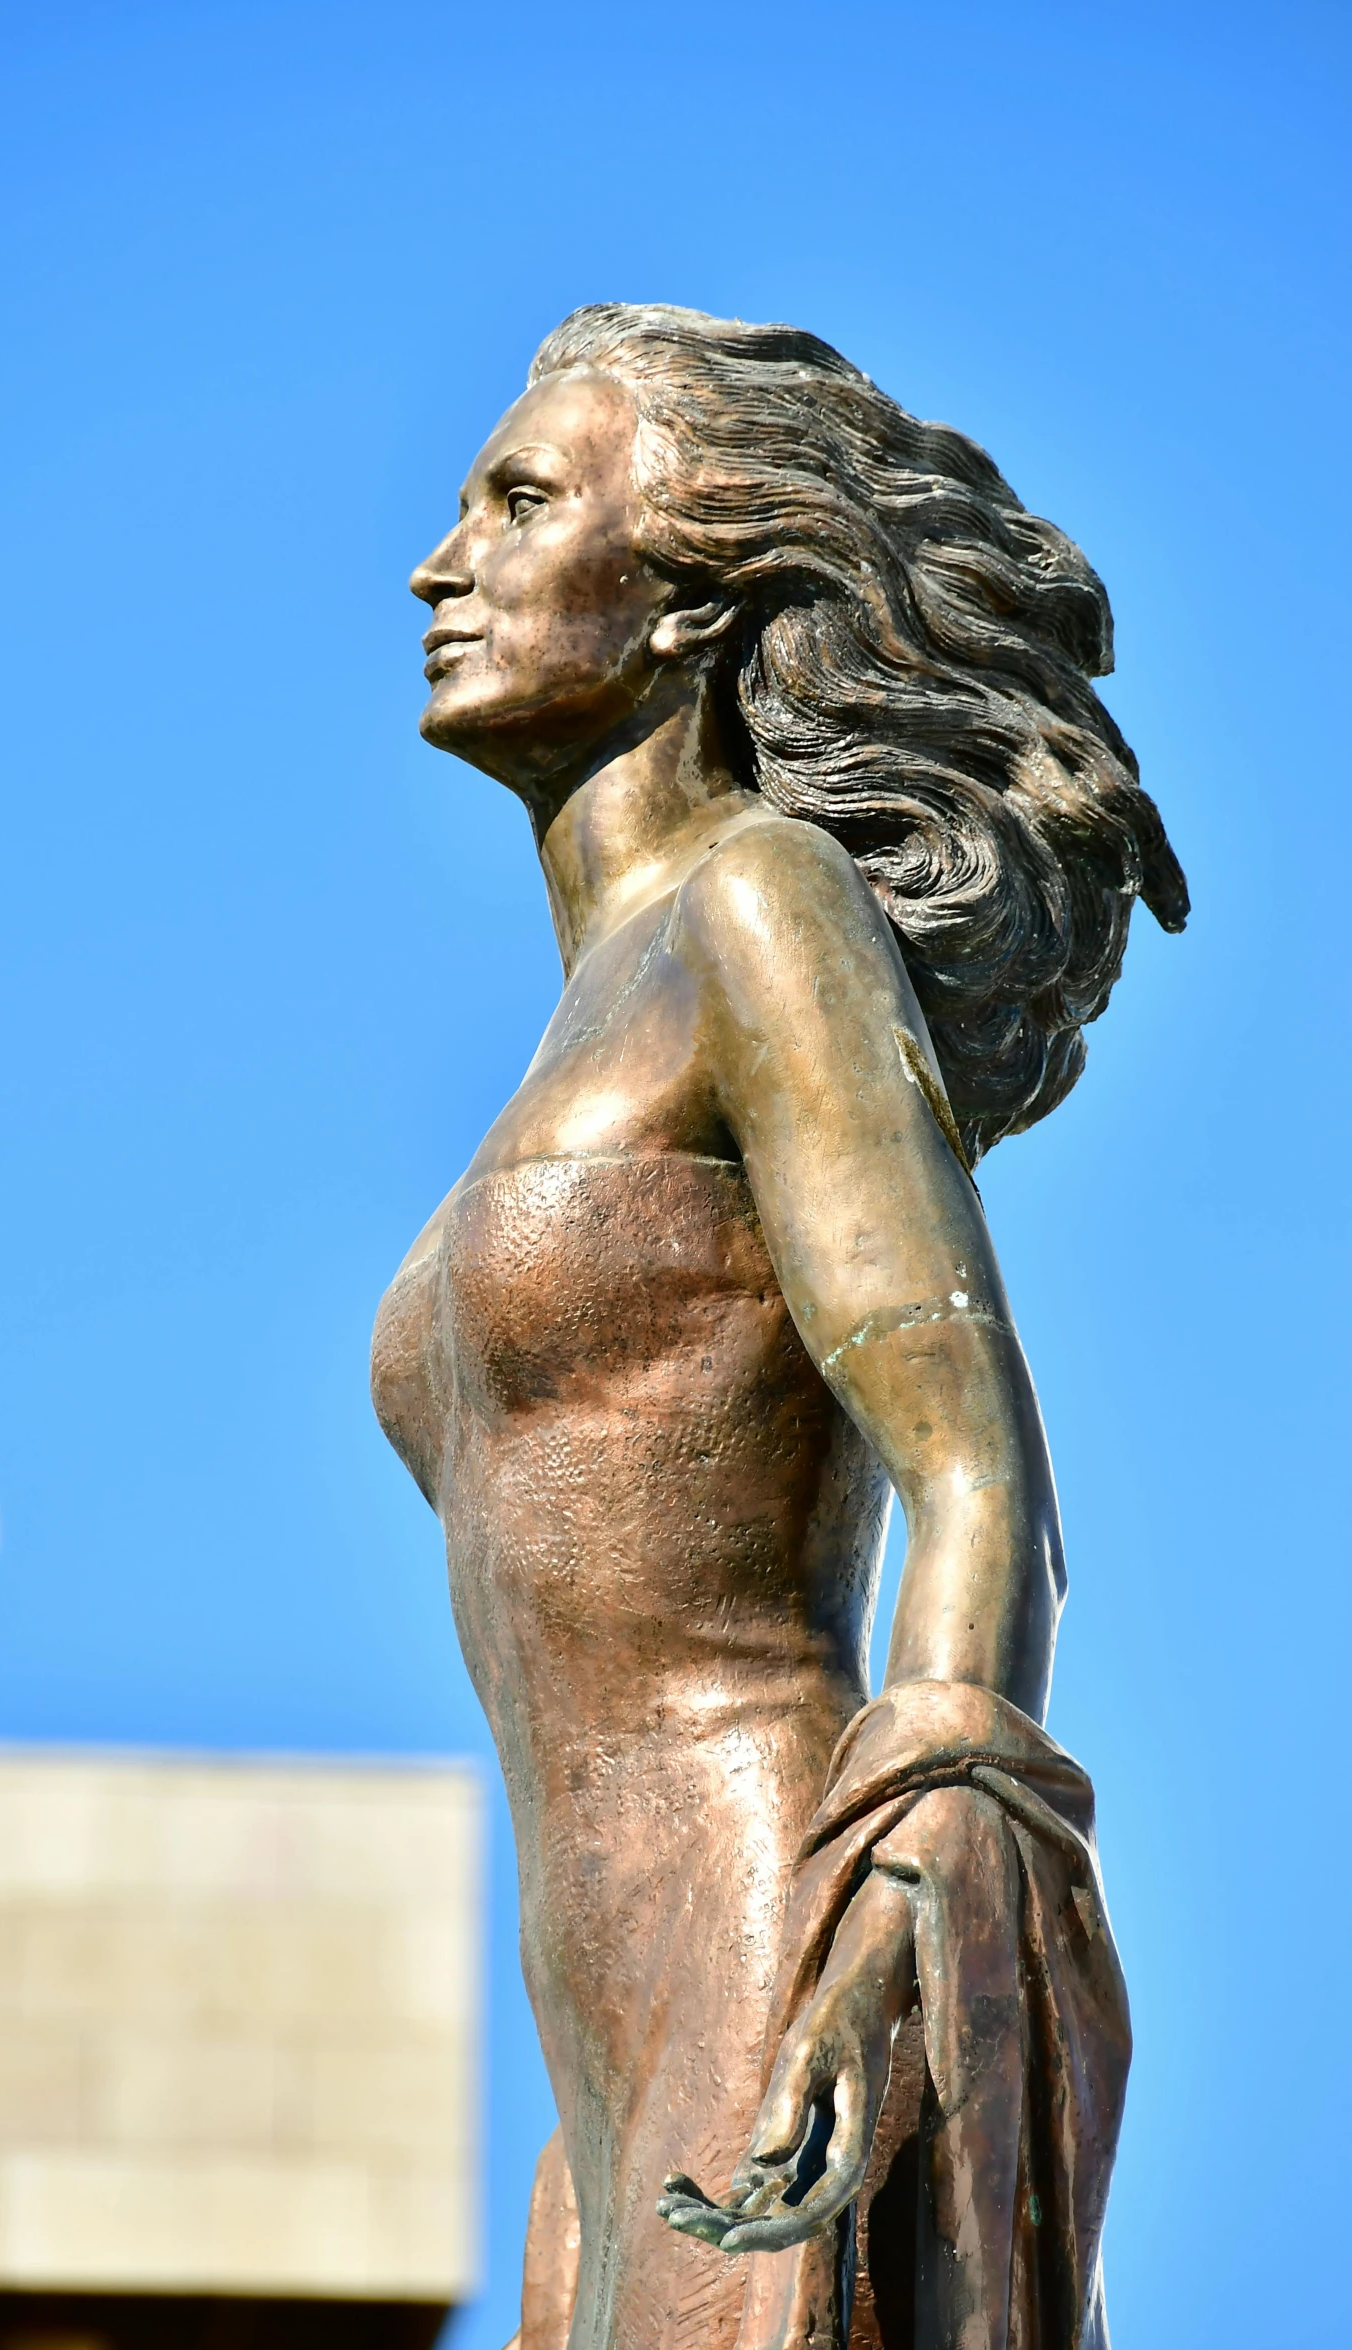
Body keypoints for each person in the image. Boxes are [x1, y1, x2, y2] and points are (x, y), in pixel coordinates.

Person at [371, 305, 1185, 2350]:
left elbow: (972, 1448)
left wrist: (912, 1877)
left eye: (519, 501)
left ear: (683, 606)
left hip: (761, 1909)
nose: (436, 560)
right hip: (594, 2034)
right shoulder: (577, 1032)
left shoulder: (761, 909)